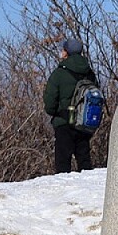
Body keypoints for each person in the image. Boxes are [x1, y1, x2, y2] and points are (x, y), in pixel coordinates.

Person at [43, 37, 99, 172]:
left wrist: (56, 113)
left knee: (63, 164)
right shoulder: (89, 73)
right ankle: (87, 185)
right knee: (84, 160)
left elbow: (50, 103)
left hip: (64, 123)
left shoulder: (59, 73)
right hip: (84, 122)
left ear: (66, 52)